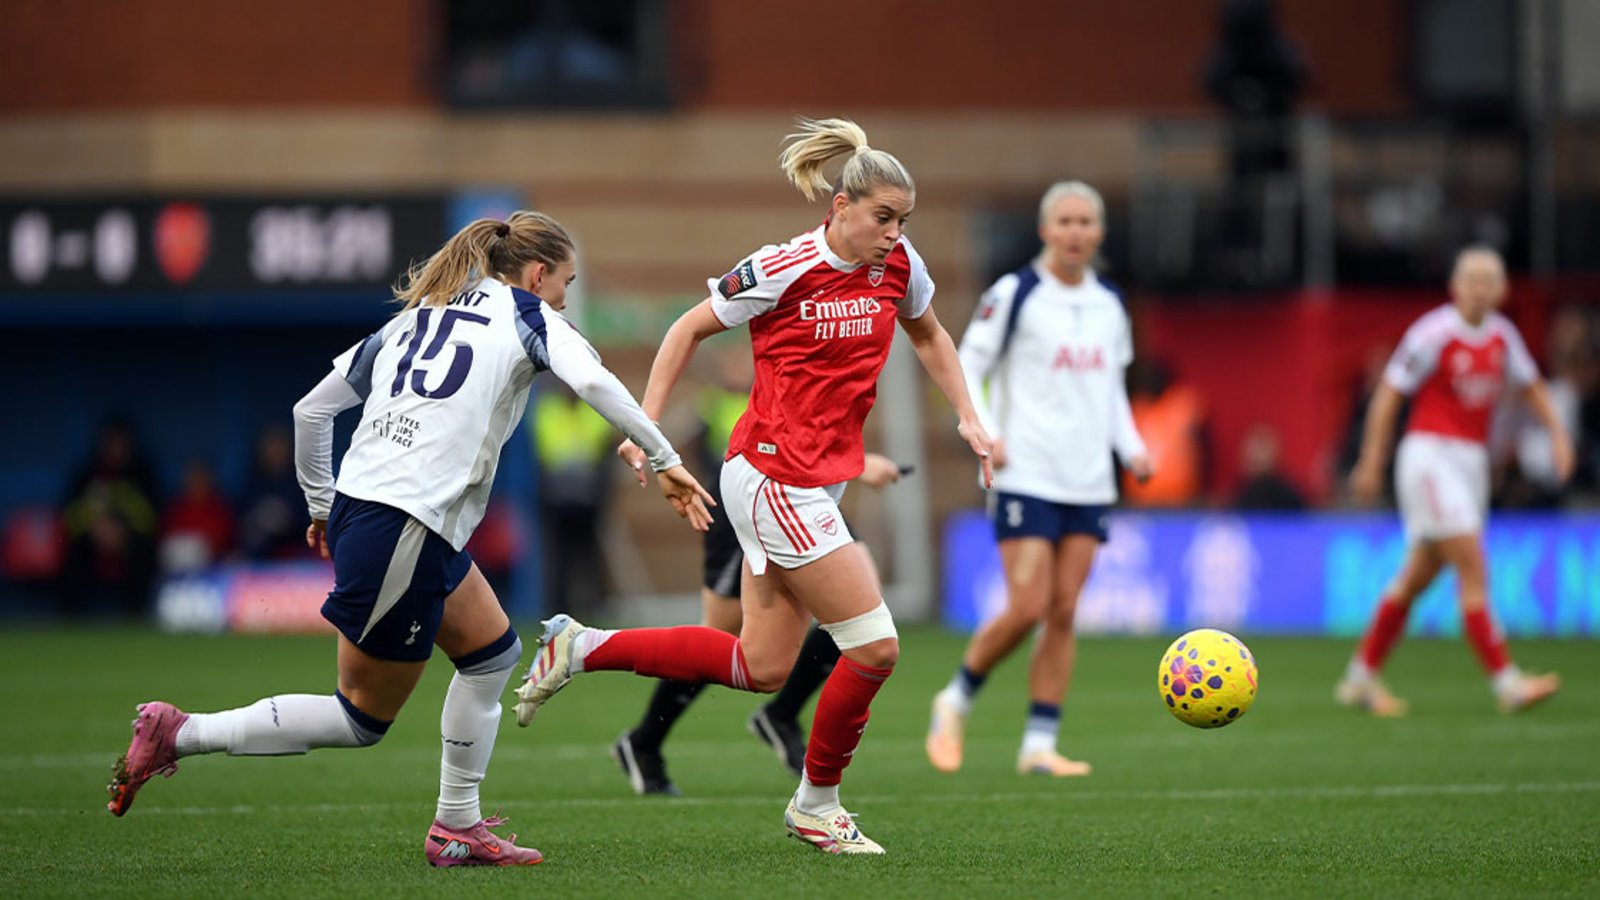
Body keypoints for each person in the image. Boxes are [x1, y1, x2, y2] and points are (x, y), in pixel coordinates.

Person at [105, 211, 715, 869]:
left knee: (492, 654)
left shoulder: (419, 315)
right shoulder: (531, 317)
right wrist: (664, 460)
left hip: (390, 518)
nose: (567, 296)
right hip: (403, 524)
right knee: (360, 718)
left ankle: (458, 825)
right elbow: (593, 381)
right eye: (565, 281)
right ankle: (181, 733)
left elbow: (310, 410)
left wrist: (321, 505)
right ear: (538, 274)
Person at [513, 117, 995, 855]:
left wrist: (969, 417)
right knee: (874, 647)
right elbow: (683, 330)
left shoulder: (900, 266)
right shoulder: (782, 266)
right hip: (772, 476)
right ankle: (816, 803)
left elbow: (927, 332)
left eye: (903, 220)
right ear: (839, 207)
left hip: (816, 481)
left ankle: (581, 648)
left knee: (761, 664)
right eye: (882, 217)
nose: (895, 234)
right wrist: (648, 433)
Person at [926, 180, 1151, 778]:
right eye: (1065, 221)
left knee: (1064, 610)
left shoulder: (1109, 304)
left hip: (1088, 480)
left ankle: (1039, 744)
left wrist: (1132, 448)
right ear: (1045, 230)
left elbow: (1111, 393)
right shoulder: (1016, 293)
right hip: (1025, 470)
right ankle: (955, 699)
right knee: (1027, 605)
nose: (1076, 232)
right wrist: (986, 430)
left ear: (1099, 233)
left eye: (1086, 222)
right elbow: (968, 364)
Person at [1339, 246, 1571, 717]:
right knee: (1472, 566)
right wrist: (1370, 459)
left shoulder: (1503, 337)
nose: (1482, 288)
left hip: (1469, 464)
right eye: (1473, 279)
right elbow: (1389, 391)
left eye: (1491, 280)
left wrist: (1559, 437)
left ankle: (1359, 679)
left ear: (1503, 289)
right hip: (1429, 457)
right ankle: (1508, 683)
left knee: (1416, 578)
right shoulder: (1434, 333)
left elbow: (1532, 386)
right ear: (1455, 286)